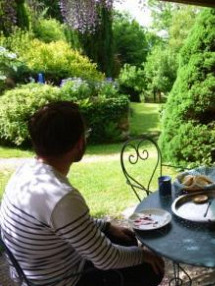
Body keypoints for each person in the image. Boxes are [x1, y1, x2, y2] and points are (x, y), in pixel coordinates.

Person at [0, 101, 164, 286]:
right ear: (79, 144)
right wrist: (144, 255)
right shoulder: (62, 198)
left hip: (32, 273)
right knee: (151, 269)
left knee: (126, 239)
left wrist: (107, 227)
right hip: (63, 280)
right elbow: (105, 259)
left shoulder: (26, 170)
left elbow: (64, 223)